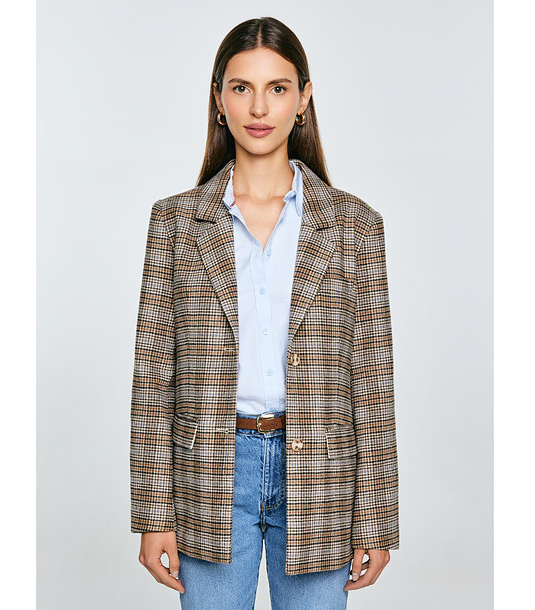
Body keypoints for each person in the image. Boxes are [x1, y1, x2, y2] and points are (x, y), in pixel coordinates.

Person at [130, 16, 399, 610]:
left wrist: (377, 518)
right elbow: (153, 378)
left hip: (322, 473)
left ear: (303, 98)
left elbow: (373, 381)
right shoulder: (174, 223)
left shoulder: (355, 225)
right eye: (241, 87)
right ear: (218, 98)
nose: (259, 107)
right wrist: (153, 514)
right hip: (209, 473)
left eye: (278, 88)